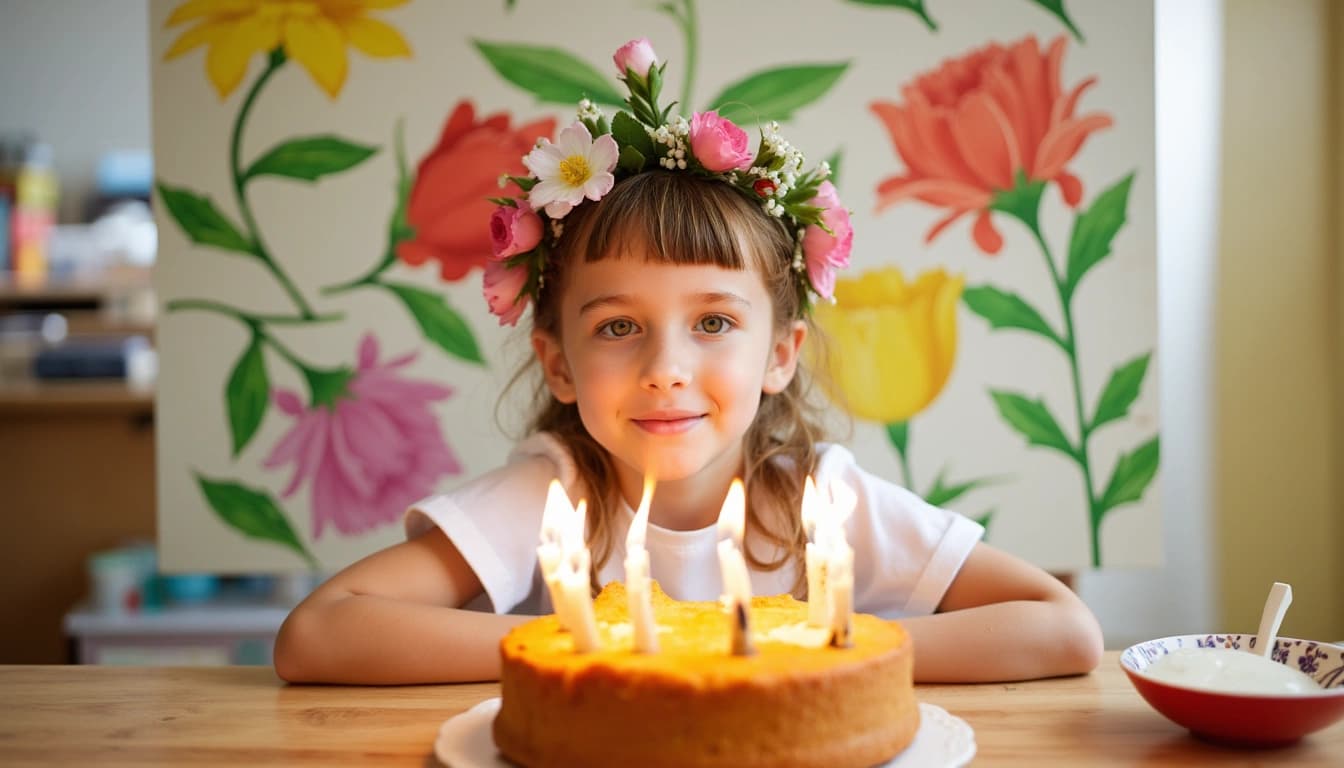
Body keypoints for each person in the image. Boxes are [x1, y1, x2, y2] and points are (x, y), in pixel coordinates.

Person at [273, 38, 1103, 685]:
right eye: (617, 328)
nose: (666, 367)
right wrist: (601, 644)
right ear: (558, 365)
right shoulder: (556, 496)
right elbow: (319, 634)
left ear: (781, 353)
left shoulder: (821, 500)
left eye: (711, 320)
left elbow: (1062, 628)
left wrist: (804, 644)